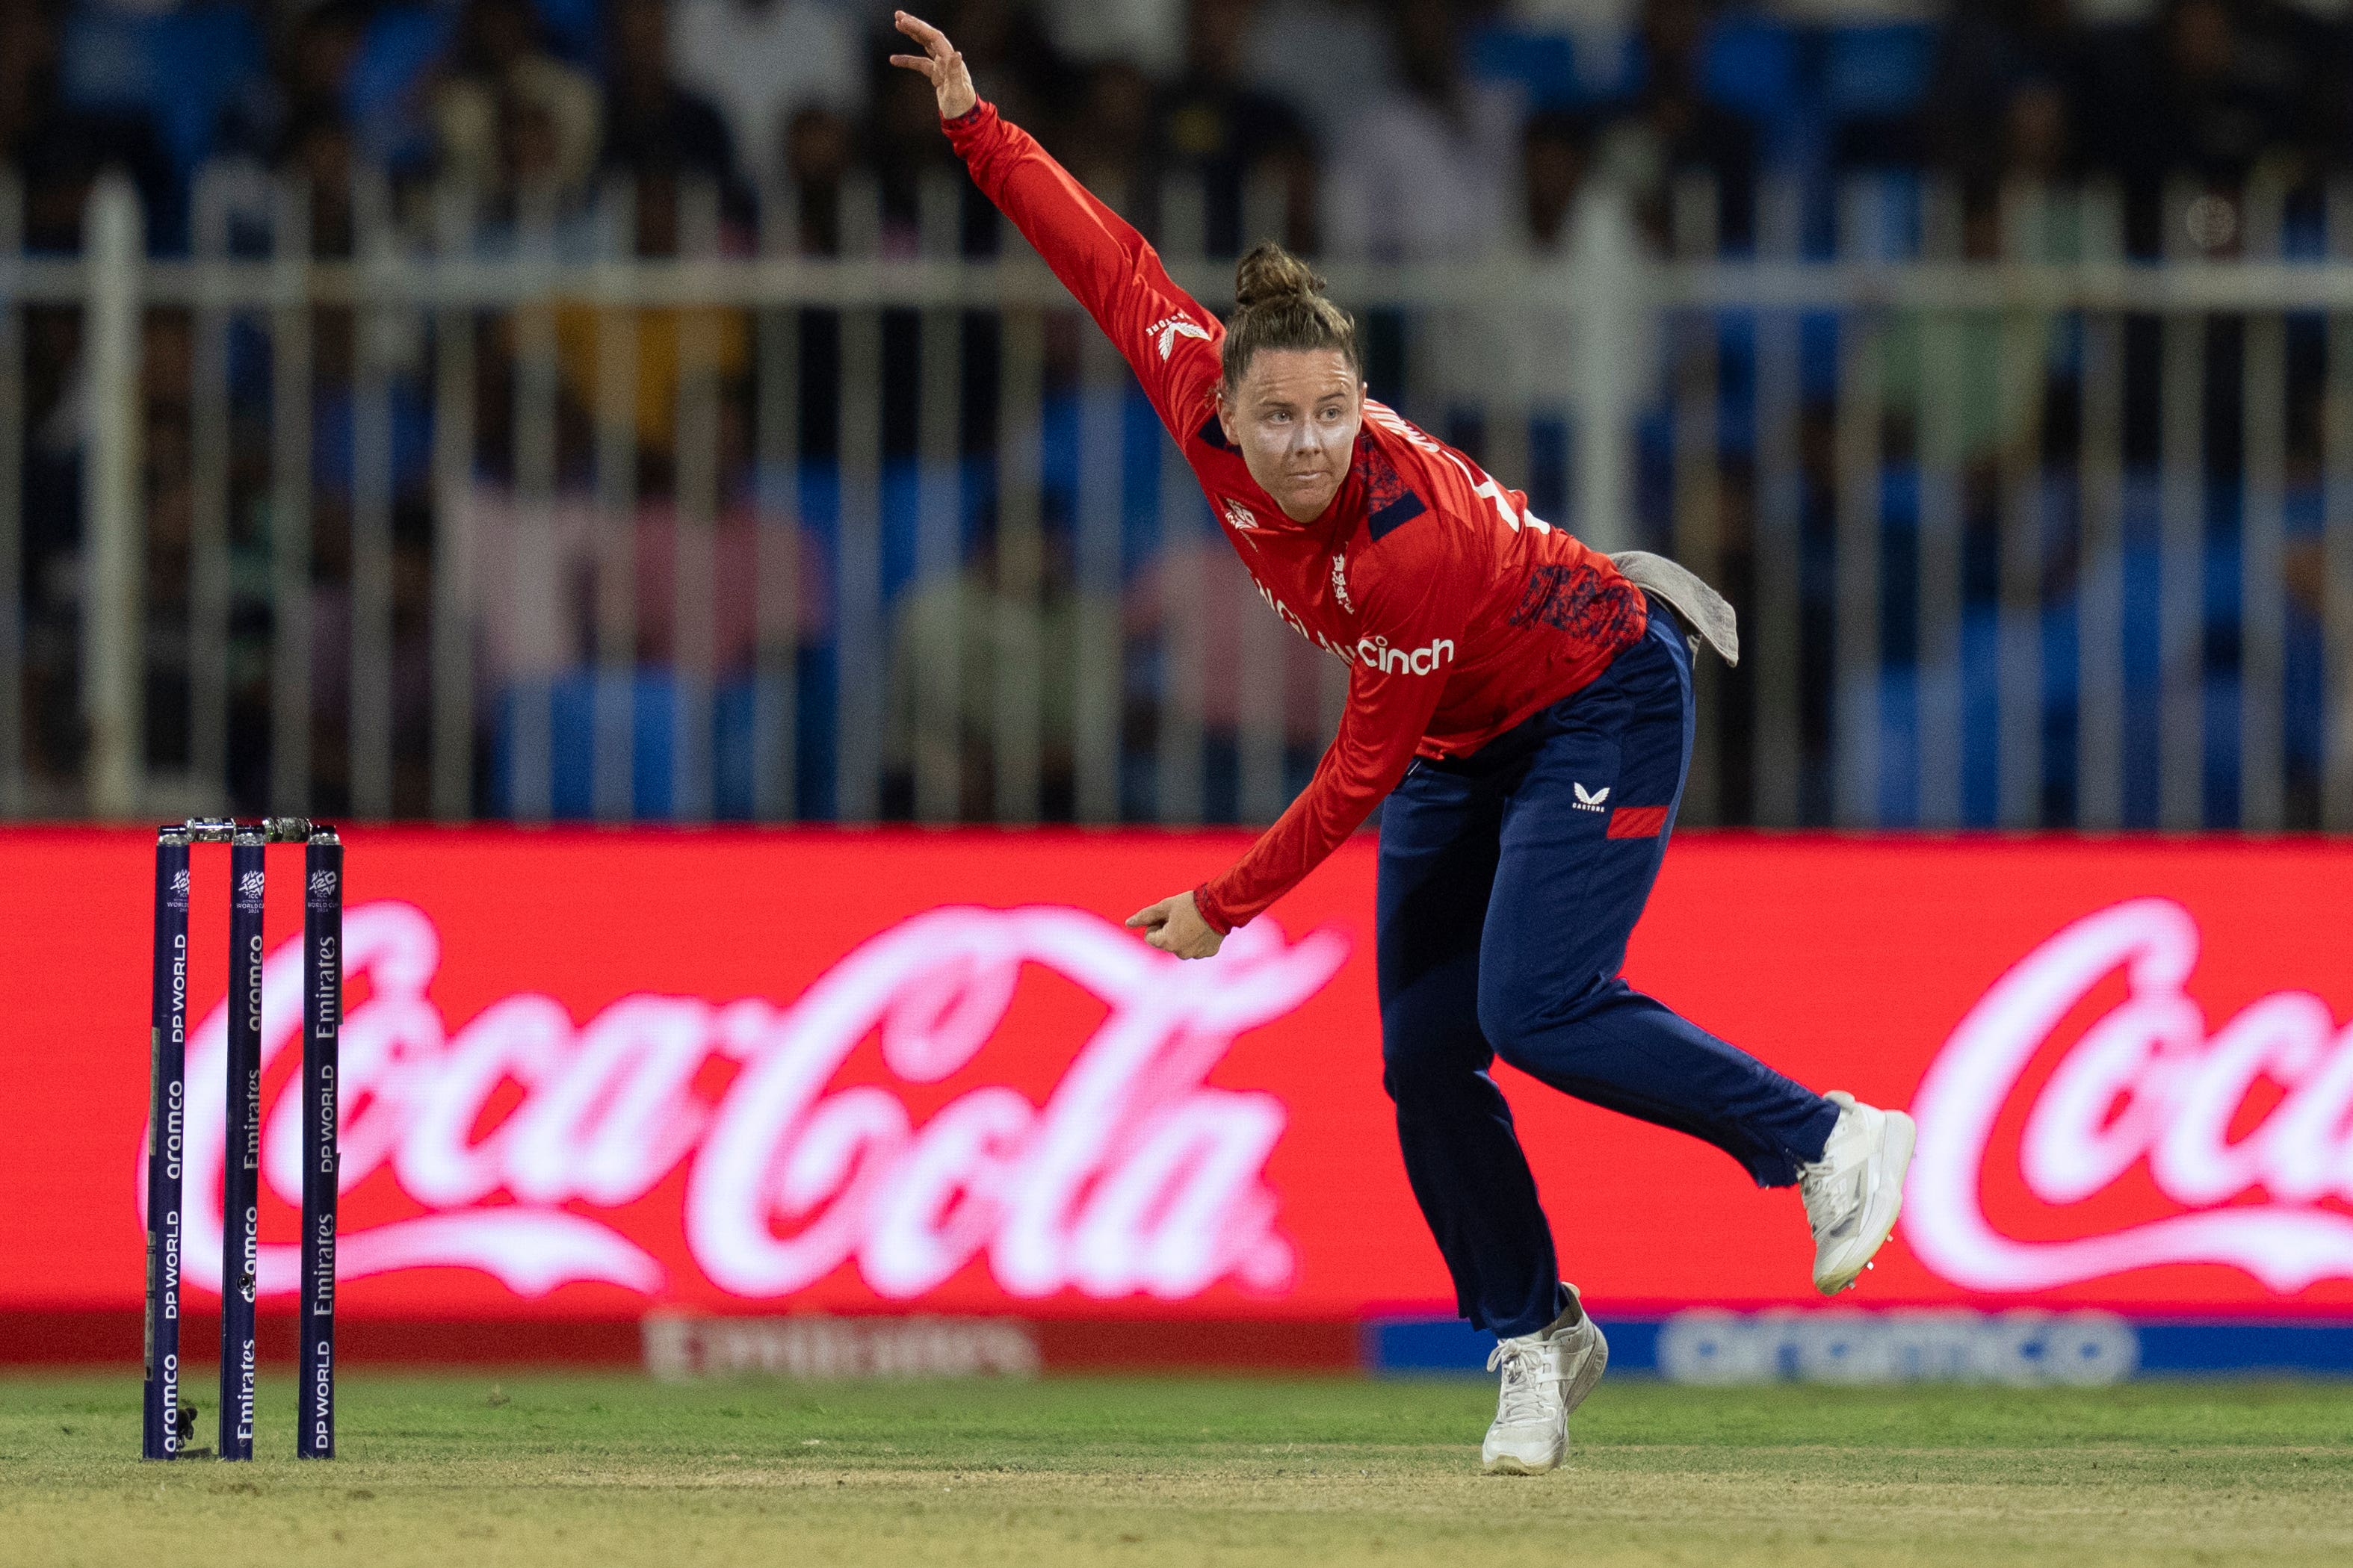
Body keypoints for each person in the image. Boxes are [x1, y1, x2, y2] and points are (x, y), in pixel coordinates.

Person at [888, 10, 1916, 1477]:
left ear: (1357, 404)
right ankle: (1534, 1338)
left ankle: (1825, 1139)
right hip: (1467, 738)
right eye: (1280, 417)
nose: (1310, 442)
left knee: (1536, 1008)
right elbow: (1103, 254)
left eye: (1332, 413)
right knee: (1424, 1063)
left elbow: (1360, 773)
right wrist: (975, 124)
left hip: (1599, 695)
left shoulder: (1403, 551)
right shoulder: (1193, 379)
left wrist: (1222, 907)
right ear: (1222, 411)